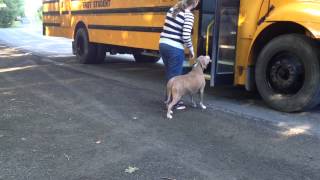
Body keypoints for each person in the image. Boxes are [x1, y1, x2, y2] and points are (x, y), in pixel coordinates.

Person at [159, 0, 199, 110]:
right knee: (175, 77)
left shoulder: (172, 9)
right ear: (195, 2)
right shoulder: (189, 15)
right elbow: (186, 36)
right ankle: (173, 102)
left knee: (170, 74)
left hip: (163, 45)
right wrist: (191, 49)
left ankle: (169, 99)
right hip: (175, 48)